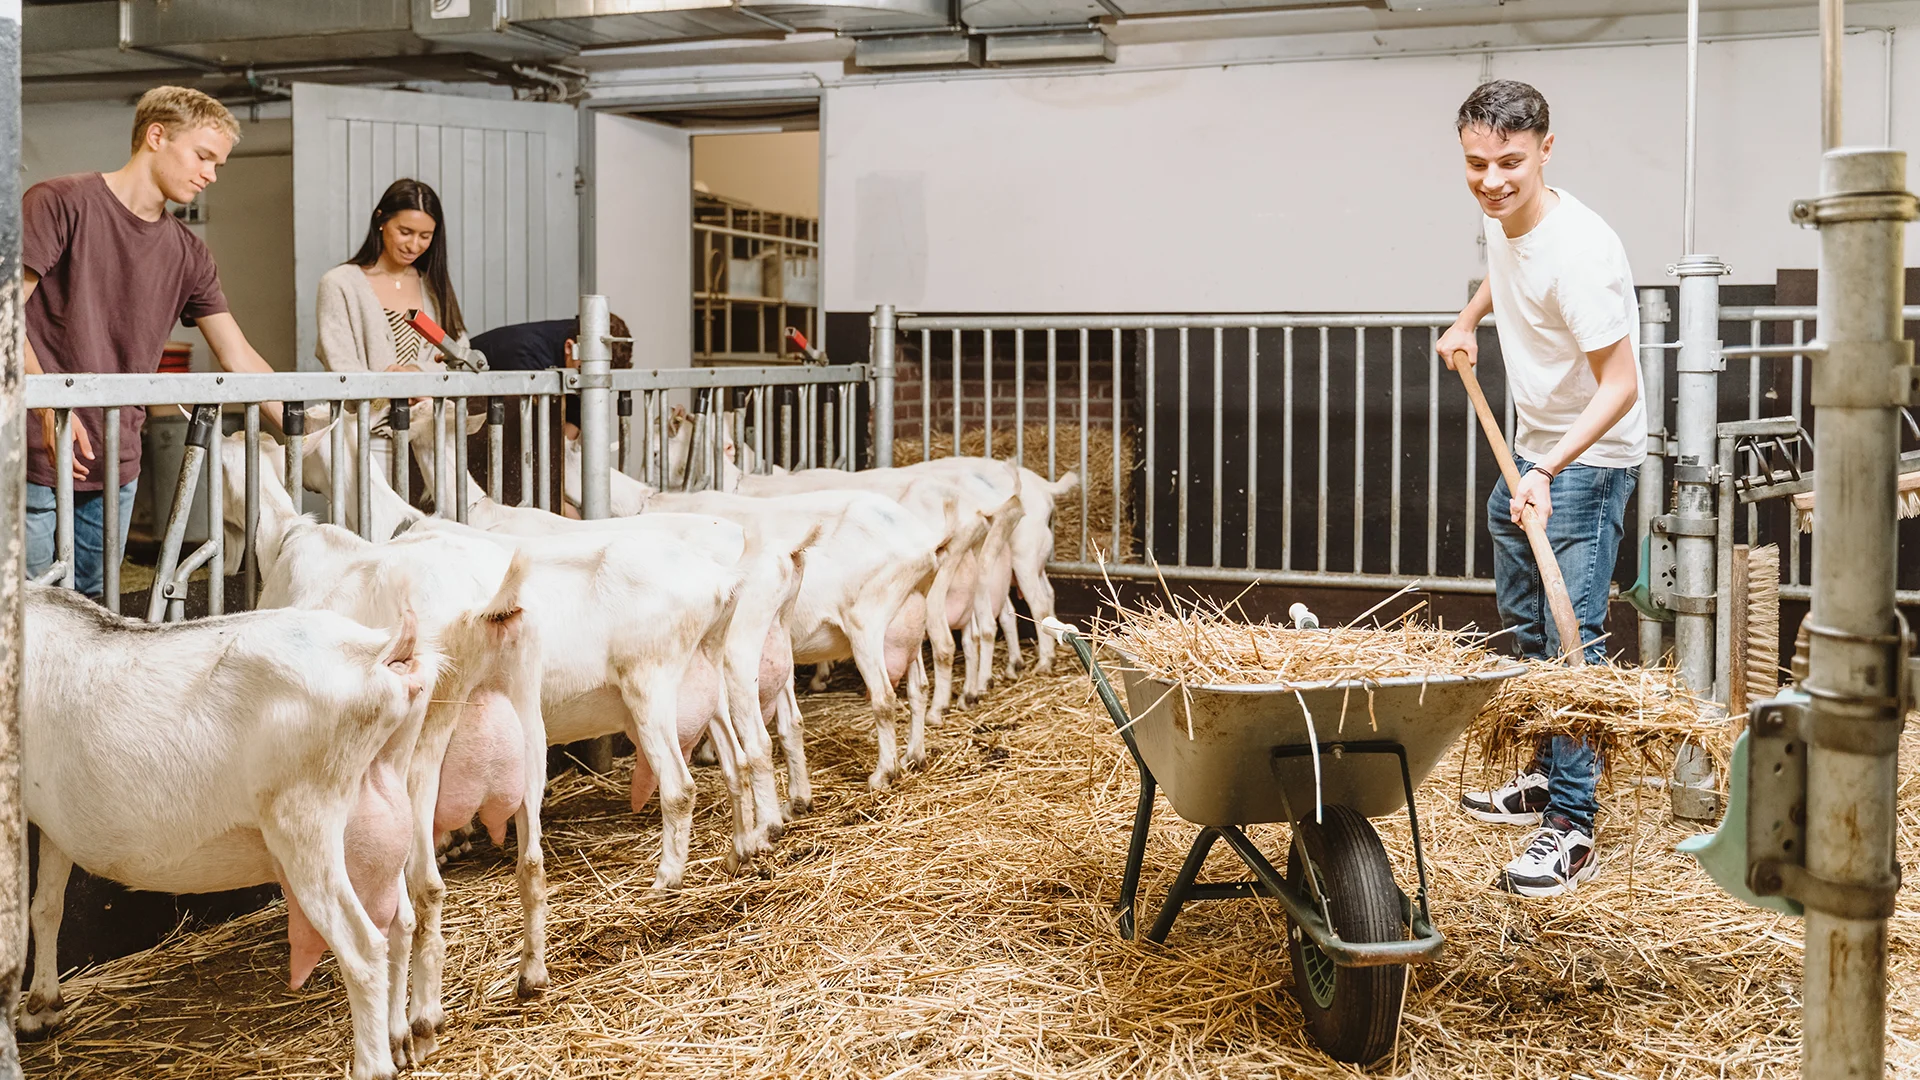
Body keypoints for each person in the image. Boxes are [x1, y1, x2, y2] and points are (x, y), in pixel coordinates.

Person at [1434, 80, 1645, 897]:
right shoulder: (1503, 213)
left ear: (1546, 151)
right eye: (1476, 163)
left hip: (1587, 459)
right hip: (1531, 451)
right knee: (1526, 619)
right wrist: (1470, 319)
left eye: (1510, 163)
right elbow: (1504, 263)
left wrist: (1550, 470)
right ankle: (1542, 775)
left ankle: (1572, 824)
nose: (1491, 181)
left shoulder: (1582, 254)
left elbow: (1621, 386)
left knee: (1570, 638)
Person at [23, 86, 282, 601]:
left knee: (95, 607)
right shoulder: (59, 203)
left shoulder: (189, 253)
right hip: (33, 450)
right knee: (28, 606)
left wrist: (309, 425)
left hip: (115, 457)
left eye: (218, 165)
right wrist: (49, 407)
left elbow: (237, 354)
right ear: (156, 136)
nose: (210, 174)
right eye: (203, 156)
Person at [314, 178, 469, 493]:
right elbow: (341, 365)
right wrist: (393, 386)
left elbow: (460, 356)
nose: (414, 245)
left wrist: (415, 375)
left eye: (426, 236)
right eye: (405, 232)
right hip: (368, 441)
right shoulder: (340, 283)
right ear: (381, 220)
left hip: (432, 440)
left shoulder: (433, 285)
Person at [467, 313, 632, 511]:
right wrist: (561, 504)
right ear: (570, 348)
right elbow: (531, 449)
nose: (589, 387)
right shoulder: (526, 360)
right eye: (583, 372)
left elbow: (569, 430)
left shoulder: (582, 352)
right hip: (476, 438)